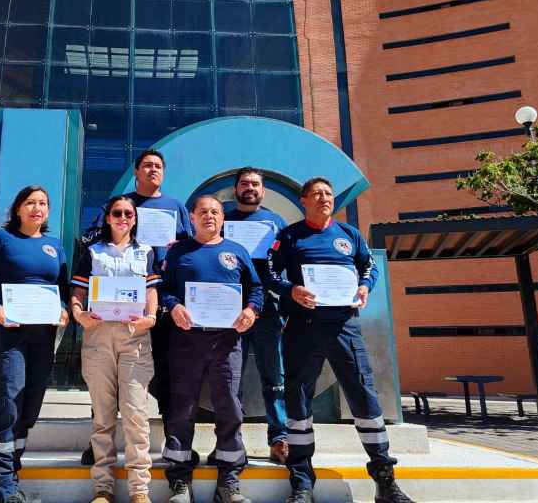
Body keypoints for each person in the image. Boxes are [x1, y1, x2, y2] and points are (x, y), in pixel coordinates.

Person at [265, 177, 414, 503]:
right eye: (317, 193)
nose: (324, 198)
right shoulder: (289, 236)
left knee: (364, 398)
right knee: (298, 403)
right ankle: (302, 483)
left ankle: (385, 482)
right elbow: (270, 274)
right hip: (302, 328)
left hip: (344, 327)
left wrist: (364, 287)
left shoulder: (349, 235)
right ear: (304, 200)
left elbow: (368, 267)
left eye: (328, 193)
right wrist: (291, 290)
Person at [80, 149, 192, 465]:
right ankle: (97, 445)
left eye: (158, 166)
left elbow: (189, 244)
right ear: (136, 171)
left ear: (163, 172)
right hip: (117, 305)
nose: (153, 170)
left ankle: (172, 438)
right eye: (147, 165)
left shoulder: (175, 206)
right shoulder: (120, 204)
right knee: (107, 378)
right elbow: (90, 238)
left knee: (166, 373)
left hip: (160, 298)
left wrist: (177, 246)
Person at [162, 195, 263, 503]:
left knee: (229, 406)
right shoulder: (178, 252)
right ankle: (180, 480)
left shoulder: (237, 251)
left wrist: (251, 310)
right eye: (203, 211)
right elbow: (163, 288)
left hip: (227, 343)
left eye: (215, 212)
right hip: (186, 342)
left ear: (222, 218)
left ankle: (228, 481)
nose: (210, 216)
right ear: (192, 217)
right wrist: (173, 305)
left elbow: (256, 289)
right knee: (182, 408)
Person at [0, 186, 70, 503]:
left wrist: (64, 310)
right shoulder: (1, 239)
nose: (36, 208)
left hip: (43, 337)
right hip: (9, 335)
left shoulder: (55, 246)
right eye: (30, 202)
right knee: (7, 405)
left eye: (42, 203)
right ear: (18, 208)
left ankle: (9, 481)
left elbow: (63, 289)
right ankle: (4, 488)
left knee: (29, 407)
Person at [71, 195, 161, 503]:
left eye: (128, 214)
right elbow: (78, 290)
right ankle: (103, 488)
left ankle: (139, 490)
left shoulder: (146, 251)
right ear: (108, 218)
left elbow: (151, 290)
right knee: (103, 417)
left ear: (135, 219)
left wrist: (151, 317)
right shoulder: (92, 252)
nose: (123, 218)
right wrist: (78, 313)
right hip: (99, 336)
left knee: (136, 416)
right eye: (117, 213)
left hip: (135, 337)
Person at [223, 168, 289, 464]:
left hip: (268, 311)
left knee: (274, 377)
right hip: (228, 311)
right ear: (235, 189)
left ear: (263, 190)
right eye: (244, 183)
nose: (249, 188)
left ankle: (279, 439)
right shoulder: (223, 219)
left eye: (255, 184)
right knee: (230, 379)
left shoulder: (276, 222)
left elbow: (286, 262)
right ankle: (230, 441)